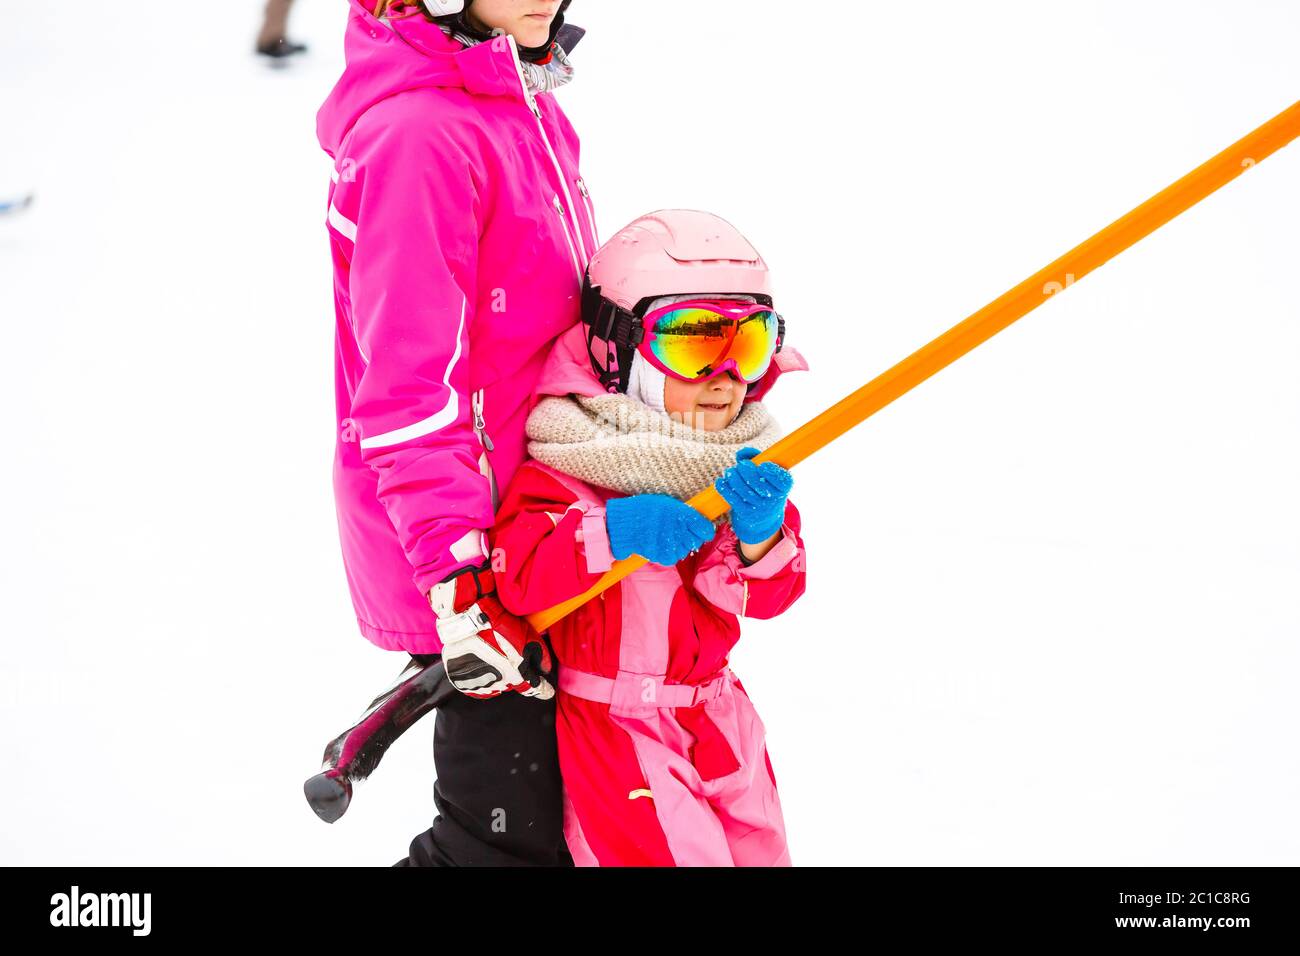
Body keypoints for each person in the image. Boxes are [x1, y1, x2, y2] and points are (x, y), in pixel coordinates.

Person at [316, 0, 596, 866]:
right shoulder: (421, 136)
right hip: (474, 542)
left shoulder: (527, 104)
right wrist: (457, 577)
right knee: (498, 853)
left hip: (542, 523)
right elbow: (405, 387)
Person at [488, 209, 810, 865]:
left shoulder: (739, 462)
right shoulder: (571, 461)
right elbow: (516, 577)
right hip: (618, 734)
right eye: (693, 344)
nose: (725, 375)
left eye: (748, 343)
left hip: (719, 719)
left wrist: (760, 534)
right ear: (620, 349)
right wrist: (613, 532)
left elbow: (775, 595)